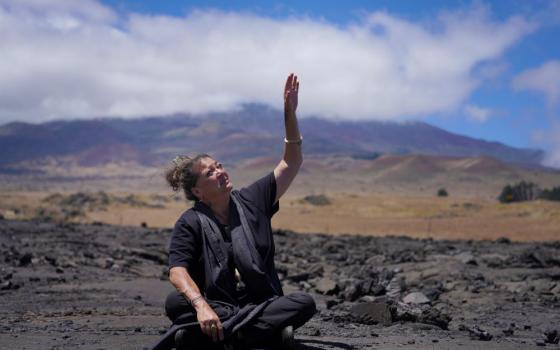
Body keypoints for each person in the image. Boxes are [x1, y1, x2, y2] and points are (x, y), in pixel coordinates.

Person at [155, 74, 316, 350]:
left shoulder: (254, 199)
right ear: (197, 192)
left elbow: (292, 161)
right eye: (210, 172)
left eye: (219, 165)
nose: (220, 171)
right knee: (176, 302)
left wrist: (290, 114)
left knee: (304, 302)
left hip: (261, 300)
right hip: (215, 303)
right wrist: (201, 306)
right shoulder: (191, 221)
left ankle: (219, 336)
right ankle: (258, 333)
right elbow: (177, 270)